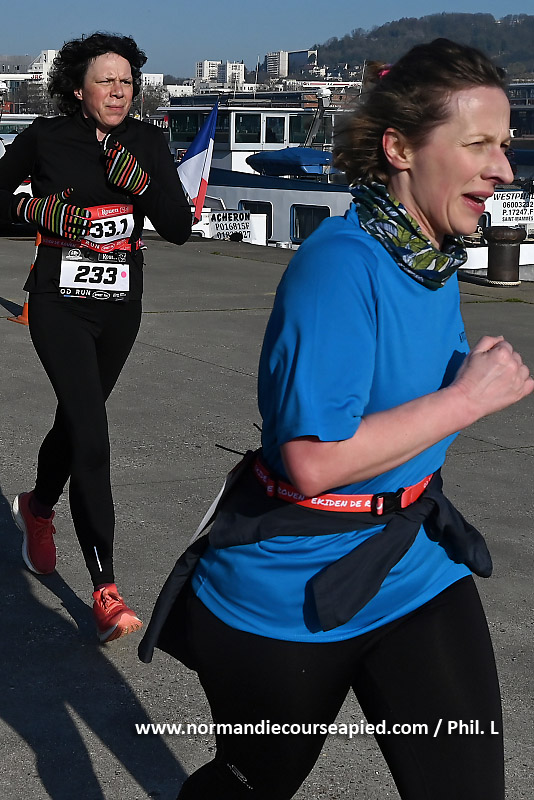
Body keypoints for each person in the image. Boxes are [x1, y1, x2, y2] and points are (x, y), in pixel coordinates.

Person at [139, 39, 532, 799]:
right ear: (400, 149)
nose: (504, 170)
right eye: (478, 145)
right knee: (253, 782)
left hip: (411, 559)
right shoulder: (341, 265)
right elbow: (312, 460)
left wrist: (460, 390)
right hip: (292, 591)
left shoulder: (431, 257)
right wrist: (467, 399)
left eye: (506, 145)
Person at [0, 32, 191, 642]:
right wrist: (35, 211)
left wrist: (142, 185)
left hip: (119, 307)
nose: (118, 90)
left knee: (77, 420)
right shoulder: (46, 138)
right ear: (78, 89)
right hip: (58, 302)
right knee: (93, 432)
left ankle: (37, 507)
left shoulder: (148, 142)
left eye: (126, 81)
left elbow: (180, 227)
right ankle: (106, 590)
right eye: (105, 80)